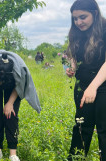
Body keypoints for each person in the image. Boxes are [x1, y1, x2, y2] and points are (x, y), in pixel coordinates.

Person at [0, 50, 41, 161]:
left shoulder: (15, 72)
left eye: (3, 81)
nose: (0, 83)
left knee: (11, 115)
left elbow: (20, 86)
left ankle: (13, 153)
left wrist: (10, 103)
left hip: (12, 88)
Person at [66, 0, 106, 160]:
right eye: (75, 18)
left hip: (103, 85)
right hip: (82, 85)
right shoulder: (76, 32)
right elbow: (74, 54)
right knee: (82, 127)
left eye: (83, 17)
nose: (78, 22)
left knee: (104, 129)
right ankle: (75, 159)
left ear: (95, 14)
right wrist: (73, 68)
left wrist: (93, 87)